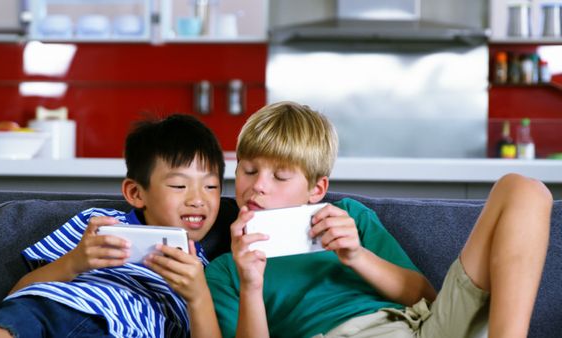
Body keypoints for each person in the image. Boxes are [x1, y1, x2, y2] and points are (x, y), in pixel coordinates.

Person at [205, 101, 552, 338]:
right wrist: (250, 282)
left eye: (280, 177)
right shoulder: (225, 270)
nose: (258, 186)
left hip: (421, 328)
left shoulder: (349, 217)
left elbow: (425, 296)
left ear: (317, 189)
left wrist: (357, 256)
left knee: (524, 189)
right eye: (248, 171)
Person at [0, 114, 224, 338]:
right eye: (179, 186)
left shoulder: (208, 270)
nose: (197, 199)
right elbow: (18, 293)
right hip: (51, 306)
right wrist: (75, 261)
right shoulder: (99, 223)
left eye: (211, 186)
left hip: (129, 329)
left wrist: (198, 296)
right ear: (136, 193)